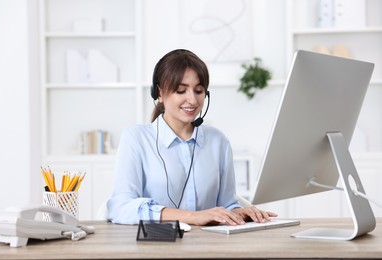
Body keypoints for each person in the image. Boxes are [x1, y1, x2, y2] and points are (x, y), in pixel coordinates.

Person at [107, 49, 277, 226]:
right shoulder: (136, 139)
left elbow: (227, 203)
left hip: (209, 246)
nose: (193, 100)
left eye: (198, 90)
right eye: (181, 91)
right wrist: (191, 216)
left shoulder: (217, 141)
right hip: (158, 247)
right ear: (159, 93)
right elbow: (120, 207)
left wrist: (238, 212)